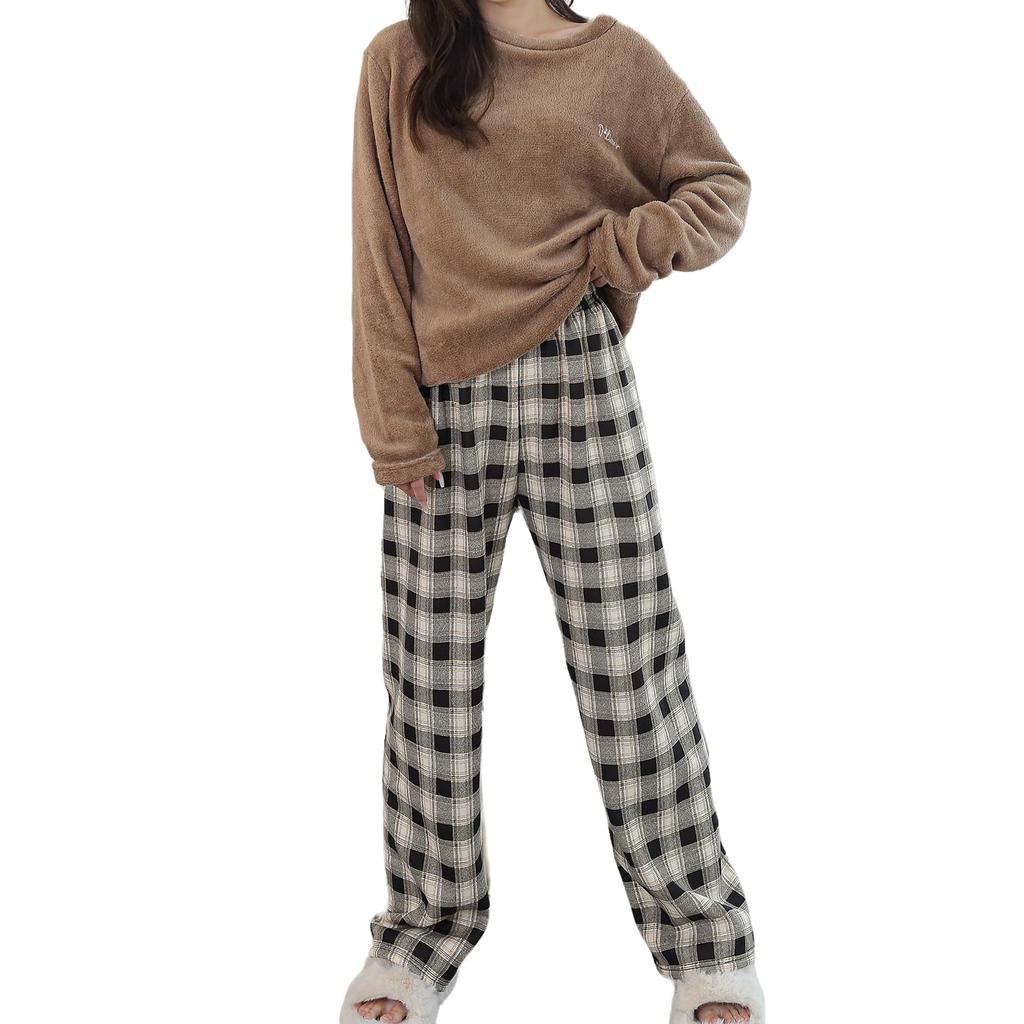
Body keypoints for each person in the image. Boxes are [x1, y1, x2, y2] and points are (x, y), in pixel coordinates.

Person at [341, 2, 764, 1022]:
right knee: (429, 683)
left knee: (631, 668)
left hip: (582, 378)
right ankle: (422, 933)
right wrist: (393, 424)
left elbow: (719, 186)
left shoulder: (614, 60)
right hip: (443, 404)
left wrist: (634, 243)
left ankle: (705, 941)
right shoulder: (400, 61)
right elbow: (378, 254)